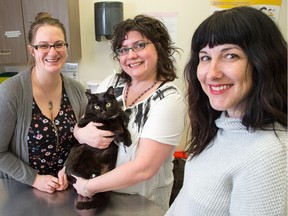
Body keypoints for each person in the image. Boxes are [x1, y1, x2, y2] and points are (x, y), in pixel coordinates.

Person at [166, 6, 287, 216]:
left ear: (265, 62)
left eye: (230, 56)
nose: (212, 73)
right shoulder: (221, 126)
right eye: (205, 57)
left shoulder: (271, 155)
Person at [71, 14, 186, 211]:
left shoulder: (169, 100)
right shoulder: (112, 82)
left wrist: (88, 186)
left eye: (140, 45)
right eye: (123, 49)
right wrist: (80, 133)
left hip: (140, 205)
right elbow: (82, 123)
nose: (131, 55)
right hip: (104, 197)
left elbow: (144, 169)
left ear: (159, 47)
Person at [0, 12, 87, 193]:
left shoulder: (77, 91)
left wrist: (68, 169)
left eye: (58, 44)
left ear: (66, 47)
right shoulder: (11, 92)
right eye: (43, 46)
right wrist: (34, 179)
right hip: (22, 190)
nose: (53, 52)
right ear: (32, 50)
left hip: (67, 189)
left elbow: (83, 140)